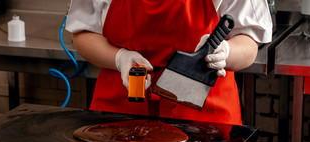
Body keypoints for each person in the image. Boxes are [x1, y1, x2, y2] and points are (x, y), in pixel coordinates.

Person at [65, 0, 272, 125]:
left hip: (205, 116)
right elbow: (83, 33)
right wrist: (119, 58)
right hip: (118, 114)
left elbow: (249, 42)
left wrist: (226, 52)